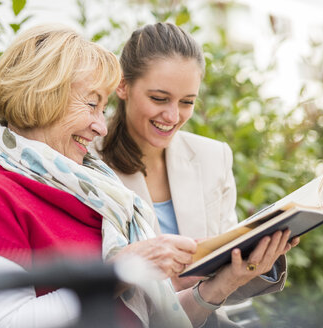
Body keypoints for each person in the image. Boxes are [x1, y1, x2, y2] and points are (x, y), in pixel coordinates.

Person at [0, 24, 295, 328]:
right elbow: (8, 323)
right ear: (43, 96)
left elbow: (156, 318)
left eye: (103, 107)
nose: (100, 124)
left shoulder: (92, 191)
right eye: (91, 104)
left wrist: (226, 282)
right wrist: (120, 270)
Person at [95, 22, 300, 326]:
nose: (173, 116)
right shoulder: (87, 161)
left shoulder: (212, 157)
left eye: (187, 102)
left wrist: (250, 263)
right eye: (159, 98)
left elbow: (220, 286)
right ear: (122, 86)